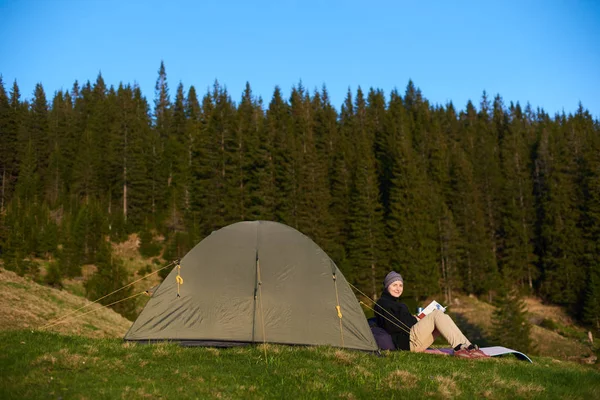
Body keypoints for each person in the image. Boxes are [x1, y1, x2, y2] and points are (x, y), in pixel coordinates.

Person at [374, 271, 488, 358]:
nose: (398, 289)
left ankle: (469, 347)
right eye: (394, 285)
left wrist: (415, 319)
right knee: (436, 314)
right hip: (407, 341)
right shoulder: (382, 304)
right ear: (387, 286)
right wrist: (415, 321)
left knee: (444, 317)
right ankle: (459, 348)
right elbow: (392, 326)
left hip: (413, 340)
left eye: (400, 285)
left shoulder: (398, 304)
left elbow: (404, 320)